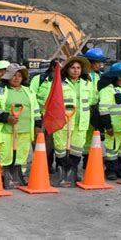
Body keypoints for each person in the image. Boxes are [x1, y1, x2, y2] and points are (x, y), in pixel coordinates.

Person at [0, 64, 41, 187]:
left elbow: (36, 109)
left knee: (22, 154)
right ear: (8, 77)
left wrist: (38, 125)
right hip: (6, 130)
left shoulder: (28, 91)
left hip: (25, 129)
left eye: (19, 75)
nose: (16, 78)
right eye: (13, 75)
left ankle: (18, 176)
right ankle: (2, 177)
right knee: (5, 154)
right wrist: (7, 117)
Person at [44, 56, 93, 185]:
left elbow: (93, 99)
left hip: (81, 122)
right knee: (60, 148)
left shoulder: (87, 84)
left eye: (78, 68)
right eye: (73, 68)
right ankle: (61, 171)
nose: (76, 70)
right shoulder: (58, 83)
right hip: (63, 122)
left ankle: (73, 171)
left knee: (77, 148)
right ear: (67, 69)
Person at [98, 62, 121, 180]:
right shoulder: (107, 91)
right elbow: (103, 109)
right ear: (119, 77)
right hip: (114, 126)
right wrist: (108, 126)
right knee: (112, 149)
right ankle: (111, 170)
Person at [30, 58, 63, 173]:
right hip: (40, 115)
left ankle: (49, 164)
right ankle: (39, 163)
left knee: (52, 142)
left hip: (55, 117)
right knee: (38, 140)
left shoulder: (64, 81)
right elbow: (32, 95)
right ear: (53, 67)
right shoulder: (39, 79)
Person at [81, 48, 108, 168]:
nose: (100, 65)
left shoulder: (100, 76)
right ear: (90, 62)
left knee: (94, 135)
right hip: (84, 109)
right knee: (82, 135)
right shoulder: (82, 76)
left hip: (95, 109)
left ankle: (90, 161)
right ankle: (84, 159)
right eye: (98, 62)